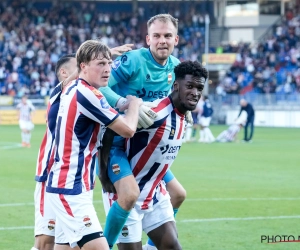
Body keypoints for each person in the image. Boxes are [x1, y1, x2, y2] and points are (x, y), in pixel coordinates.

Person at [99, 14, 188, 250]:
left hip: (146, 147)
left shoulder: (176, 68)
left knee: (178, 193)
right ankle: (105, 246)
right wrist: (124, 104)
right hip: (117, 143)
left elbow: (175, 102)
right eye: (156, 36)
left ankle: (151, 246)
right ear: (148, 39)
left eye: (167, 35)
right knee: (129, 195)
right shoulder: (133, 61)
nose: (162, 41)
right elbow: (100, 84)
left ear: (176, 39)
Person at [32, 44, 134, 250]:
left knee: (63, 247)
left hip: (73, 181)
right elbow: (127, 129)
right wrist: (135, 104)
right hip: (61, 180)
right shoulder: (73, 92)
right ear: (81, 67)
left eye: (109, 64)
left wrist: (104, 55)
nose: (107, 69)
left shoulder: (72, 90)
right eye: (101, 64)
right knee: (45, 244)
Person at [101, 61, 207, 250]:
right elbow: (110, 132)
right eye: (189, 86)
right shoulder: (154, 113)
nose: (195, 93)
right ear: (176, 86)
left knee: (173, 246)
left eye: (199, 88)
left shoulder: (183, 116)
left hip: (155, 195)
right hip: (127, 196)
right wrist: (104, 174)